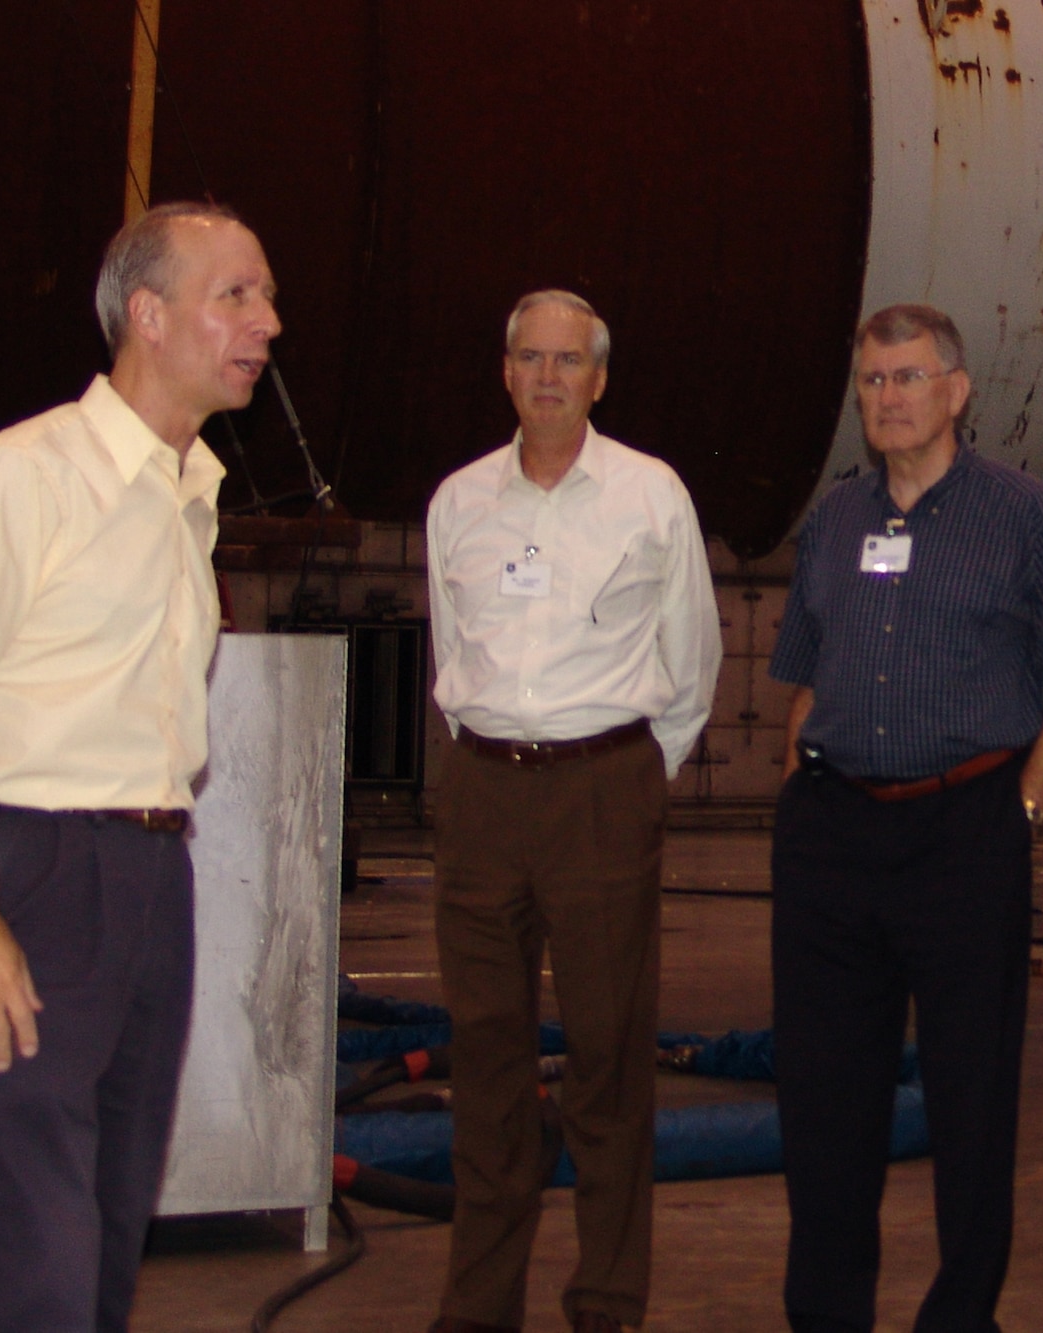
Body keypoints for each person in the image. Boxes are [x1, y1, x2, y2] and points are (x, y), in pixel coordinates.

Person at [0, 201, 277, 1330]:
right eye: (237, 295)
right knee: (27, 1260)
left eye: (265, 296)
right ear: (148, 316)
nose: (268, 321)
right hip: (28, 868)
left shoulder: (187, 495)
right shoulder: (27, 474)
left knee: (104, 1243)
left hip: (152, 874)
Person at [768, 302, 1043, 1333]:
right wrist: (797, 793)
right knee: (824, 1104)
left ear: (956, 390)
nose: (888, 399)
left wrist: (1021, 814)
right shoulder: (833, 519)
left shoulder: (1021, 514)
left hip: (964, 833)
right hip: (832, 837)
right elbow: (801, 679)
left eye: (908, 378)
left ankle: (961, 1317)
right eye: (873, 382)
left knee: (970, 1101)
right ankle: (826, 1316)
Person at [424, 290, 721, 1333]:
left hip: (602, 790)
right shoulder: (458, 502)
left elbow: (691, 662)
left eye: (567, 360)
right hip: (481, 794)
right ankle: (477, 1307)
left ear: (598, 378)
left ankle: (606, 1303)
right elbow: (449, 652)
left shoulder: (649, 497)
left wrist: (630, 775)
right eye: (528, 358)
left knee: (606, 1057)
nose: (547, 376)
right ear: (504, 372)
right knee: (487, 1054)